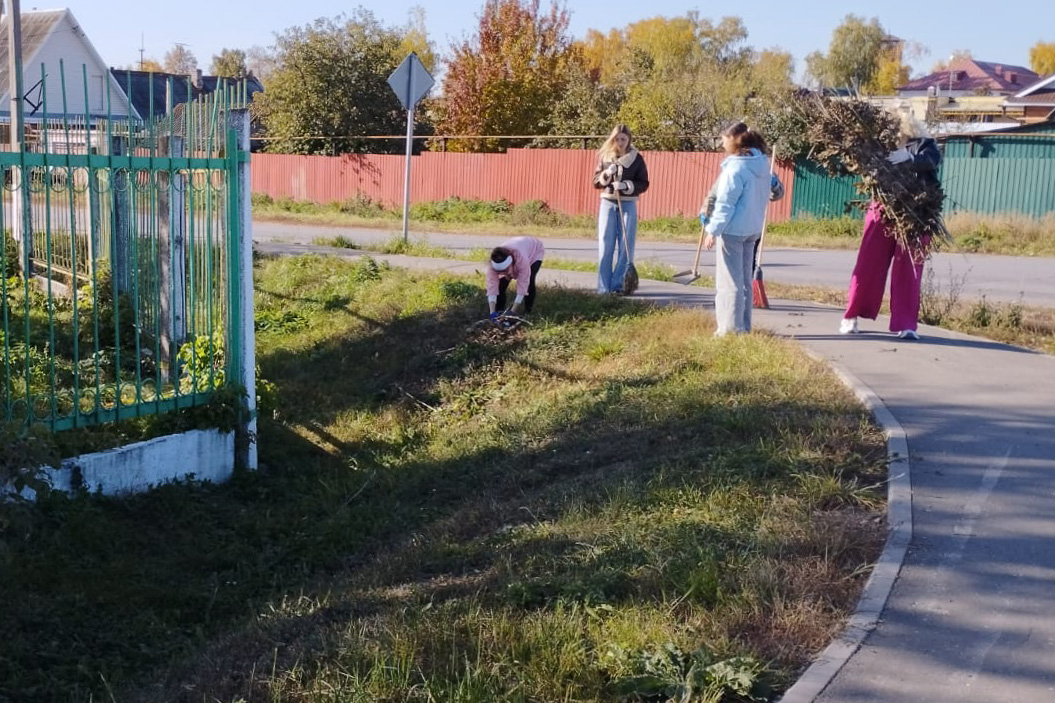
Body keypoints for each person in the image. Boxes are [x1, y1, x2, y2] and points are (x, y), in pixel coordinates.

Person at [839, 115, 942, 340]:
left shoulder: (925, 144)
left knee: (909, 269)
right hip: (883, 209)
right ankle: (851, 315)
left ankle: (906, 324)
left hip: (917, 212)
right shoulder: (879, 143)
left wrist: (910, 159)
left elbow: (931, 160)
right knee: (868, 265)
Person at [702, 122, 773, 336]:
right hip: (753, 229)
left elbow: (725, 204)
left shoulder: (735, 168)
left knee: (728, 283)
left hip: (733, 231)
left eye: (723, 138)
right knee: (744, 282)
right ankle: (743, 327)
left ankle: (729, 330)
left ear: (734, 139)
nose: (722, 142)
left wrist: (712, 230)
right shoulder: (761, 164)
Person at [699, 129, 784, 273]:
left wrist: (709, 222)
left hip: (736, 229)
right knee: (744, 272)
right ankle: (747, 293)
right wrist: (707, 216)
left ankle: (743, 294)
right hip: (753, 227)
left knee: (733, 276)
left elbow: (718, 198)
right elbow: (715, 195)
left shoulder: (741, 169)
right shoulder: (761, 168)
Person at [593, 124, 649, 295]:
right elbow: (595, 182)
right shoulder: (605, 157)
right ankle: (603, 288)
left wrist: (626, 185)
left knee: (626, 244)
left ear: (629, 139)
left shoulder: (636, 158)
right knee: (605, 243)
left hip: (627, 204)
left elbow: (644, 183)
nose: (620, 142)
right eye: (617, 139)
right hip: (608, 203)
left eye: (623, 139)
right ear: (613, 140)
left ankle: (617, 286)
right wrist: (605, 175)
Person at [485, 236, 545, 321]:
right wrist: (492, 312)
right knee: (500, 285)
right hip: (517, 249)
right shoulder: (492, 267)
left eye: (505, 270)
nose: (503, 273)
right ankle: (500, 312)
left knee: (530, 281)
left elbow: (523, 286)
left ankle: (528, 311)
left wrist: (512, 312)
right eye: (500, 271)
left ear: (511, 263)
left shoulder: (522, 261)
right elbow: (492, 289)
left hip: (534, 250)